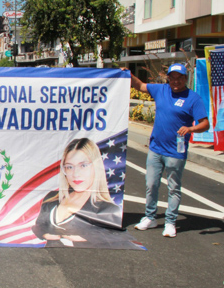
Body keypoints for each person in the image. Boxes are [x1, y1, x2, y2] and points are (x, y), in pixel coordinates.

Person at [128, 63, 209, 238]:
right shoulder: (161, 90)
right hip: (156, 148)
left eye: (180, 78)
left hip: (175, 152)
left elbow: (205, 123)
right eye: (173, 78)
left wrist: (191, 129)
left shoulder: (193, 98)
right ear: (168, 78)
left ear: (185, 79)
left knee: (173, 188)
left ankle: (170, 222)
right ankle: (150, 217)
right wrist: (127, 74)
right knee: (151, 185)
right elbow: (140, 86)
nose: (176, 81)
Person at [32, 137, 123, 248]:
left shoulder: (108, 210)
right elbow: (39, 226)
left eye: (83, 165)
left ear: (96, 167)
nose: (76, 174)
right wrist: (46, 234)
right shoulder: (52, 198)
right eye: (69, 167)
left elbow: (114, 238)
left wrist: (85, 237)